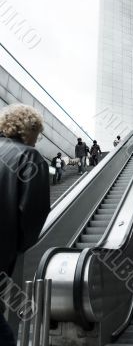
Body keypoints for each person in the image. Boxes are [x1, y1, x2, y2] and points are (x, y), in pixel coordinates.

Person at [0, 104, 50, 345]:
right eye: (37, 135)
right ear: (29, 131)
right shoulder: (28, 157)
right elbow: (34, 213)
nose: (36, 142)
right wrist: (16, 245)